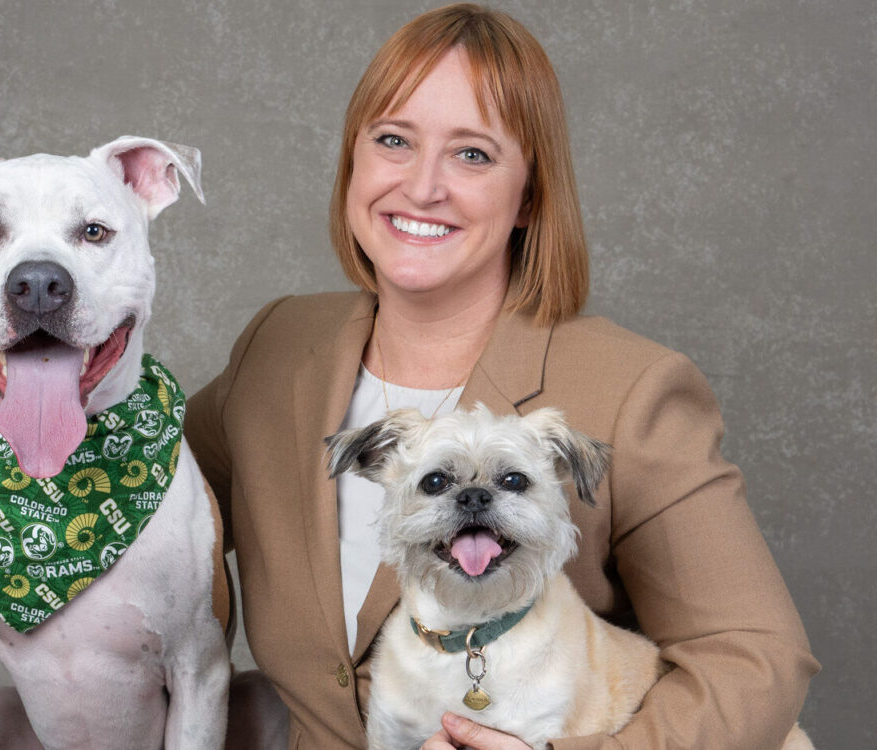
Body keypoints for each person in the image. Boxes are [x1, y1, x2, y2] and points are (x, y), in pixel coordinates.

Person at [184, 4, 819, 749]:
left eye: (473, 154)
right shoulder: (279, 346)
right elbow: (144, 490)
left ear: (530, 196)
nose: (422, 188)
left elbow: (756, 659)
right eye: (393, 140)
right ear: (353, 160)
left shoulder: (632, 388)